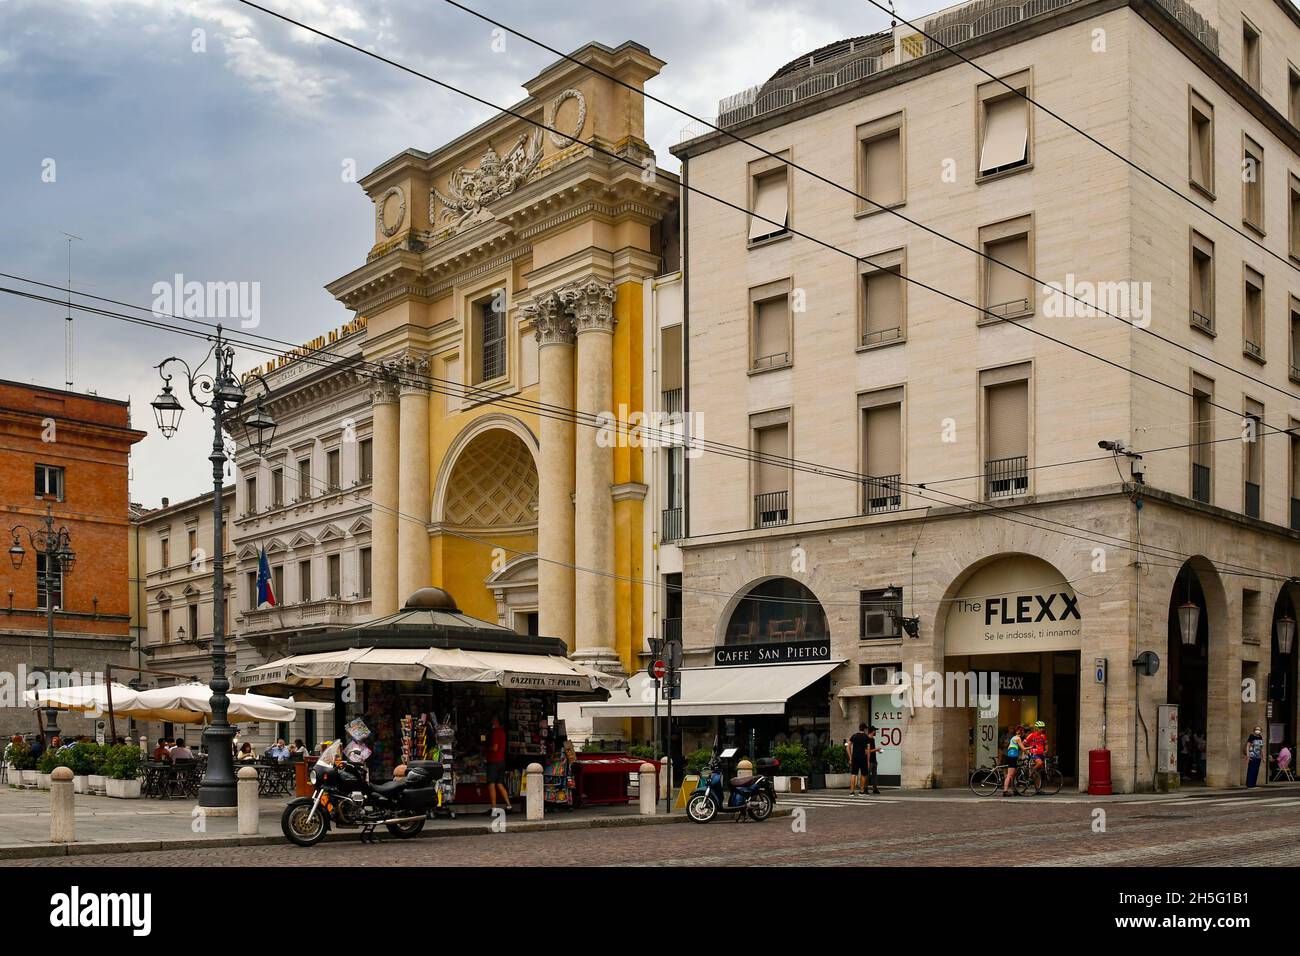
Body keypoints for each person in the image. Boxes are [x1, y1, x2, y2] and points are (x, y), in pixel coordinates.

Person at [484, 715, 511, 812]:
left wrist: (486, 748)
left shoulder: (495, 732)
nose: (491, 721)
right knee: (499, 783)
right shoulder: (503, 732)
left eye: (493, 720)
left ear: (496, 721)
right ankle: (508, 805)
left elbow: (495, 748)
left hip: (494, 761)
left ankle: (494, 807)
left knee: (491, 784)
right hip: (501, 761)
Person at [847, 723, 871, 796]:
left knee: (853, 774)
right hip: (863, 758)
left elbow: (848, 746)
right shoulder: (866, 737)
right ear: (865, 729)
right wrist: (868, 761)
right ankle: (861, 791)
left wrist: (850, 757)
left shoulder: (854, 736)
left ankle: (852, 792)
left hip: (855, 757)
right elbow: (868, 750)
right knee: (863, 774)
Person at [1024, 720, 1048, 794]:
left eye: (1042, 727)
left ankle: (1037, 789)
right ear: (1036, 728)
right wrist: (1028, 749)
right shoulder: (1031, 735)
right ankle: (1030, 773)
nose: (1041, 729)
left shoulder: (1043, 736)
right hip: (1034, 753)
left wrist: (1046, 750)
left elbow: (1046, 744)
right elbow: (1023, 743)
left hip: (1041, 754)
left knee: (1038, 773)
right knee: (1039, 763)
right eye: (1040, 727)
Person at [1002, 725, 1025, 796]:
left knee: (1013, 775)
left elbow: (1009, 748)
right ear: (1021, 732)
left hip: (1011, 757)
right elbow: (1023, 748)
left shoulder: (1013, 738)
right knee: (1009, 775)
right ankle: (1005, 791)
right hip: (1012, 757)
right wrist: (1031, 748)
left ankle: (1014, 790)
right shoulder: (1018, 738)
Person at [864, 725, 882, 794]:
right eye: (875, 731)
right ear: (872, 731)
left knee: (874, 775)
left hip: (874, 760)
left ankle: (875, 789)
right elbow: (866, 751)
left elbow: (872, 750)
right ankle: (865, 789)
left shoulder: (873, 739)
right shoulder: (867, 739)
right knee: (867, 775)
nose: (875, 732)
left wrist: (877, 751)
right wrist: (876, 749)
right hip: (869, 760)